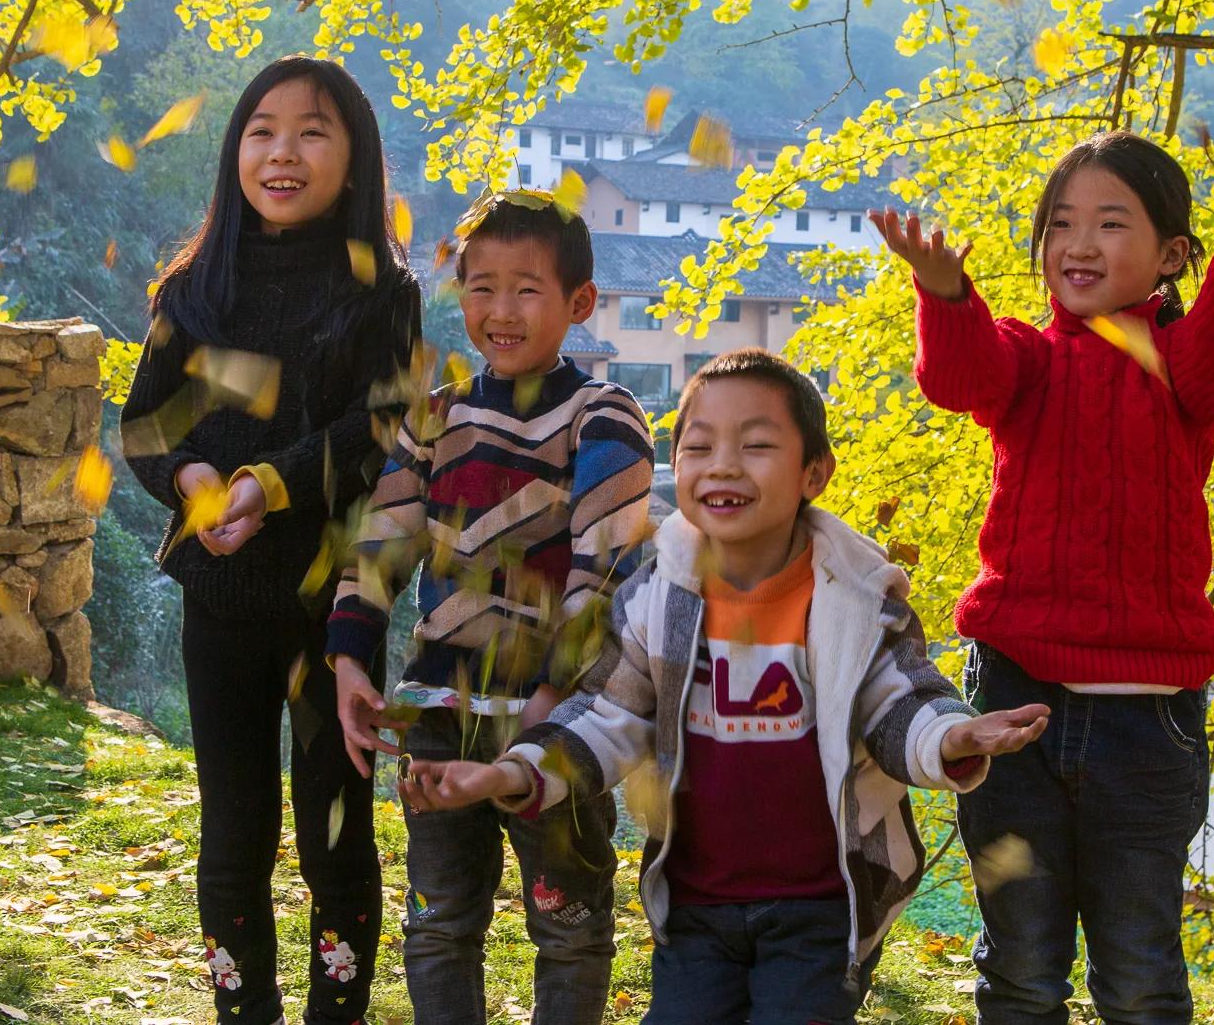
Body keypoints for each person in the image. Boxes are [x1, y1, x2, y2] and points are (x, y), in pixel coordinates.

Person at [399, 348, 1051, 1025]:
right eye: (700, 446)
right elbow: (605, 715)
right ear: (676, 465)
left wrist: (952, 735)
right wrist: (510, 771)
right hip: (696, 909)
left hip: (820, 910)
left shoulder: (856, 600)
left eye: (757, 445)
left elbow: (899, 701)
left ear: (814, 473)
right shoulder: (657, 598)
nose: (724, 465)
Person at [871, 129, 1214, 1025]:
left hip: (1149, 728)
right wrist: (945, 291)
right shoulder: (1029, 359)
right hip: (1015, 702)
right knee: (1021, 965)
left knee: (1139, 974)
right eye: (1062, 224)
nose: (1079, 243)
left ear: (1170, 255)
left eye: (1111, 223)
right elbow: (961, 373)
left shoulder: (1180, 368)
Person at [120, 55, 423, 1025]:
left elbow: (376, 428)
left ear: (354, 158)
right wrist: (193, 483)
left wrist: (264, 482)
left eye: (311, 132)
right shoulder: (192, 287)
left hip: (334, 609)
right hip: (219, 605)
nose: (281, 152)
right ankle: (242, 1012)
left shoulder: (382, 291)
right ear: (234, 151)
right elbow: (144, 426)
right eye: (262, 131)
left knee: (335, 834)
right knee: (232, 833)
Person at [325, 192, 655, 1025]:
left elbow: (607, 568)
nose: (501, 311)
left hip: (558, 721)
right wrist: (350, 659)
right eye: (482, 287)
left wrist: (556, 693)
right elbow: (383, 539)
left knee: (567, 922)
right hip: (440, 708)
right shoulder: (436, 415)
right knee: (439, 919)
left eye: (526, 289)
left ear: (579, 301)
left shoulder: (603, 416)